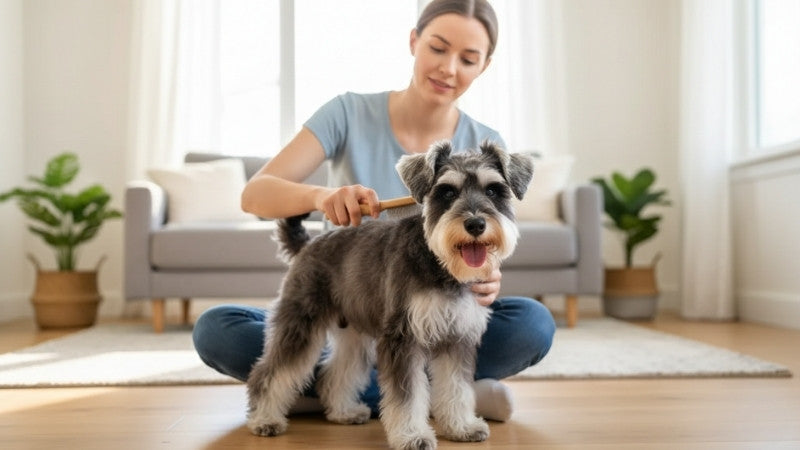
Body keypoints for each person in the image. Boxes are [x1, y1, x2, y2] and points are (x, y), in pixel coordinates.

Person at [193, 0, 555, 422]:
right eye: (438, 48)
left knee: (533, 322)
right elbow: (254, 195)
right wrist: (319, 197)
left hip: (444, 304)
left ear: (485, 66)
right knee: (217, 329)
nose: (449, 68)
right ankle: (438, 393)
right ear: (414, 41)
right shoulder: (346, 112)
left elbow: (491, 230)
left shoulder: (486, 140)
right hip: (345, 287)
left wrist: (489, 275)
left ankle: (345, 392)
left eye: (468, 58)